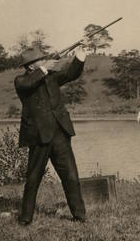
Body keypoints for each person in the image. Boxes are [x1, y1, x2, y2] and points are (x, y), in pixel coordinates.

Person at [14, 46, 87, 225]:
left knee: (71, 176)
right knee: (33, 179)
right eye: (40, 60)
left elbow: (71, 73)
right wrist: (45, 68)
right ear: (30, 66)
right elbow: (29, 83)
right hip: (39, 136)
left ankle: (79, 217)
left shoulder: (51, 77)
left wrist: (80, 56)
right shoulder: (21, 80)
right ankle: (25, 218)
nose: (44, 60)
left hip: (60, 134)